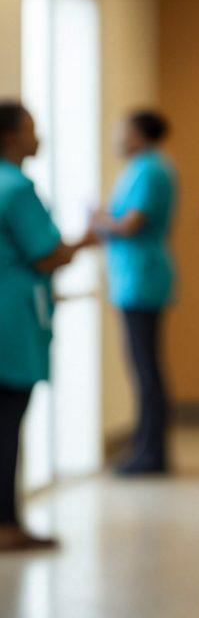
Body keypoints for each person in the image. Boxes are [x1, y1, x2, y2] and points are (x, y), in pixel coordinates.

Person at [0, 101, 95, 550]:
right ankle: (7, 525)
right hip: (11, 322)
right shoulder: (16, 188)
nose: (39, 137)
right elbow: (46, 253)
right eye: (31, 129)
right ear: (10, 136)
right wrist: (86, 240)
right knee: (7, 423)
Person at [92, 110, 178, 475]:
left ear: (139, 135)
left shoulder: (150, 169)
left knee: (146, 370)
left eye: (121, 130)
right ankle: (146, 451)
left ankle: (150, 455)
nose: (116, 137)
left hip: (141, 279)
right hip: (136, 278)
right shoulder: (147, 167)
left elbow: (130, 223)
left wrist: (97, 220)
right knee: (144, 369)